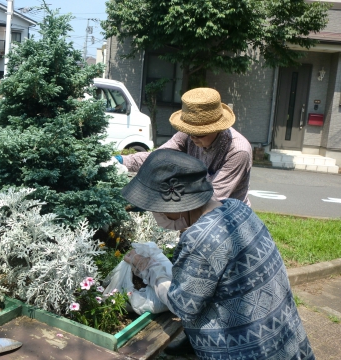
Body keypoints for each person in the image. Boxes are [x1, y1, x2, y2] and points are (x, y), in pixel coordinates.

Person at [121, 149, 314, 360]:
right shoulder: (238, 209)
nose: (155, 215)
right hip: (286, 342)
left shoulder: (201, 238)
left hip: (249, 351)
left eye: (154, 208)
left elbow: (182, 306)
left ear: (174, 204)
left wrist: (149, 268)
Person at [115, 87, 252, 208]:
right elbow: (158, 158)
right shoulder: (187, 135)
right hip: (197, 207)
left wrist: (156, 201)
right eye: (189, 131)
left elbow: (214, 196)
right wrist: (121, 161)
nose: (193, 138)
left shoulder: (238, 151)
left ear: (218, 128)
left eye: (199, 133)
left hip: (230, 216)